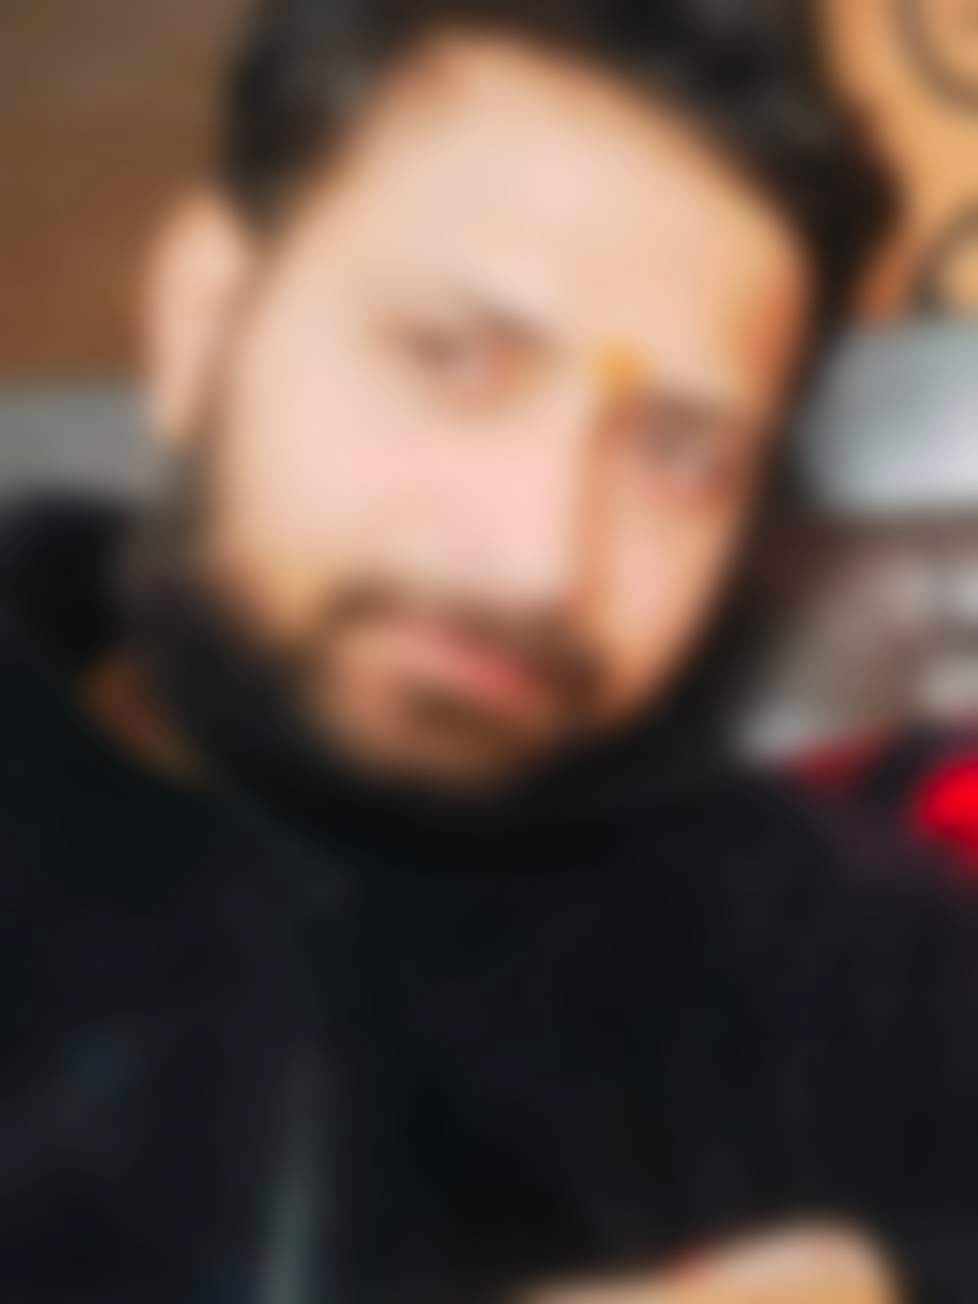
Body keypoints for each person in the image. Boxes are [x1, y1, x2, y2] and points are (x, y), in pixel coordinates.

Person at [4, 2, 978, 1301]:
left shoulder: (840, 964)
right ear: (202, 318)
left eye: (680, 452)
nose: (540, 561)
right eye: (450, 358)